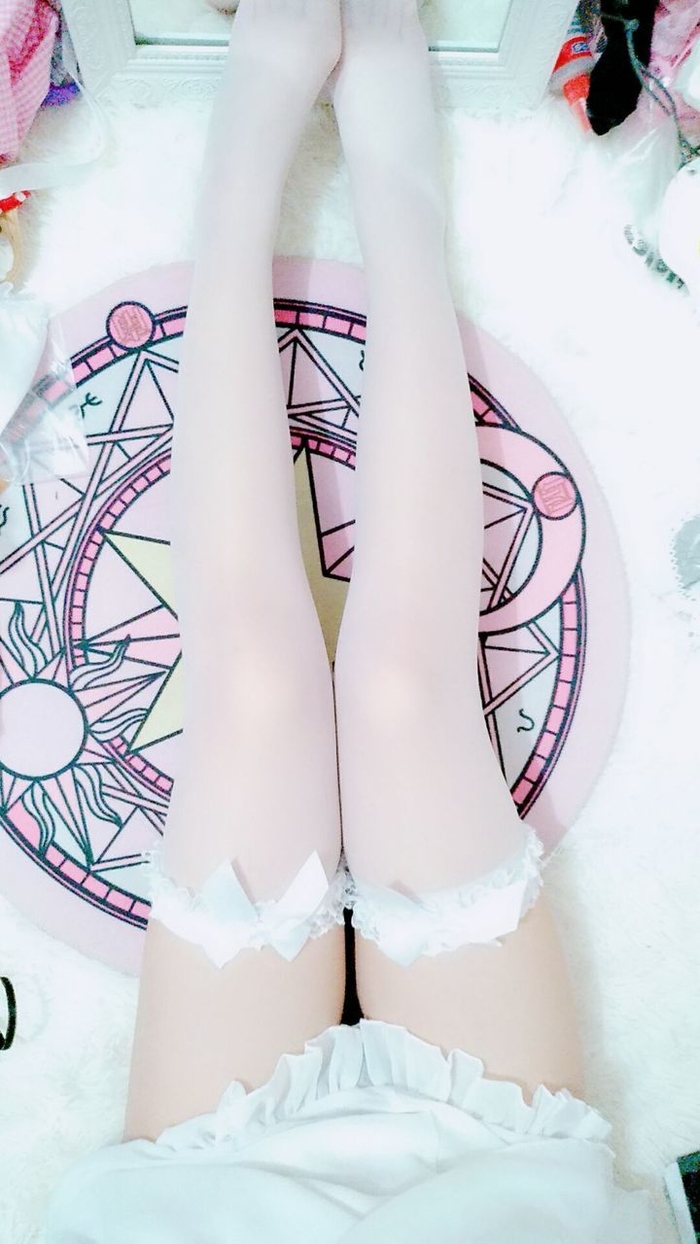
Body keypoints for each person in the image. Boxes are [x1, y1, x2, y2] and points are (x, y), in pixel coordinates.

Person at [42, 1, 654, 1239]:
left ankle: (254, 130)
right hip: (490, 1177)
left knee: (258, 683)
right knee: (400, 689)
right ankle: (391, 167)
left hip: (213, 1193)